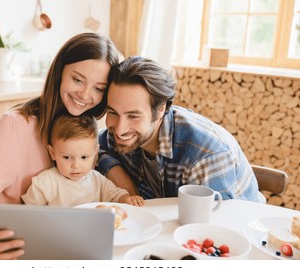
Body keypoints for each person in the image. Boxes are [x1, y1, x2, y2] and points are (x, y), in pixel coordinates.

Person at [0, 33, 137, 260]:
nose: (85, 95)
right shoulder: (17, 124)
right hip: (19, 248)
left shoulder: (87, 123)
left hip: (73, 245)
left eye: (98, 88)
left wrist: (113, 170)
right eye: (77, 80)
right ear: (59, 72)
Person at [97, 56, 265, 203]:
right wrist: (114, 169)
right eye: (112, 112)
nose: (119, 129)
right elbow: (91, 146)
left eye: (133, 116)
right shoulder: (120, 133)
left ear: (161, 109)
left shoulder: (205, 154)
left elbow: (215, 225)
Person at [22, 114, 144, 207]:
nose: (76, 165)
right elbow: (28, 213)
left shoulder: (97, 180)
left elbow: (116, 195)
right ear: (52, 153)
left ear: (95, 153)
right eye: (66, 157)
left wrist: (127, 198)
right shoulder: (45, 183)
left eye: (84, 157)